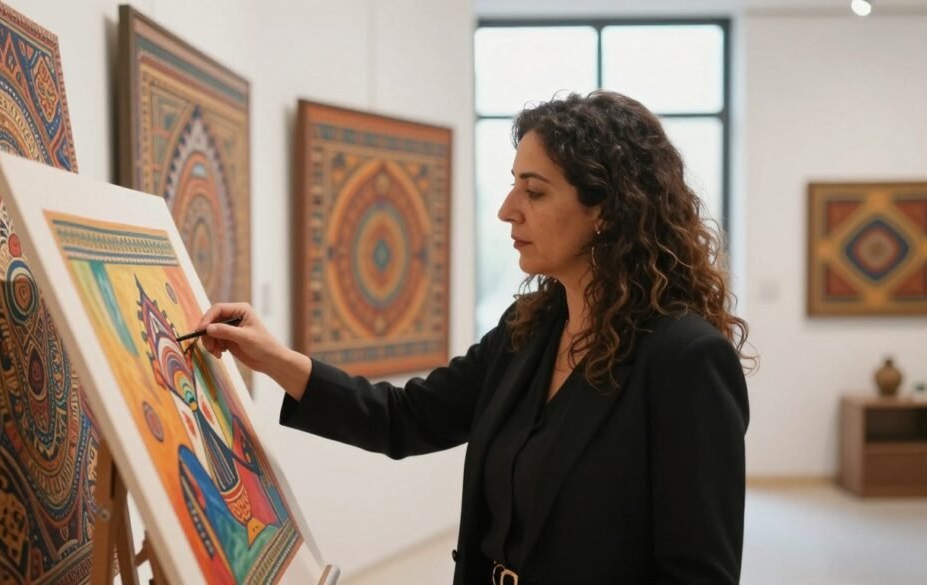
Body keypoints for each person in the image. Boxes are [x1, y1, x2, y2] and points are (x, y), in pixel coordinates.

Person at [197, 90, 752, 585]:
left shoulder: (686, 359)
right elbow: (405, 418)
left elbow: (699, 575)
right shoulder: (527, 330)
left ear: (605, 210)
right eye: (514, 185)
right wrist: (274, 359)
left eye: (534, 192)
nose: (507, 211)